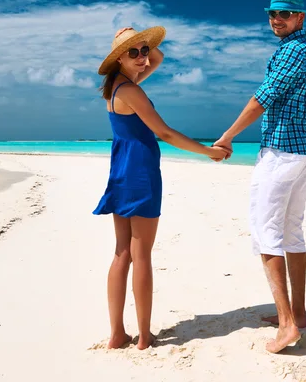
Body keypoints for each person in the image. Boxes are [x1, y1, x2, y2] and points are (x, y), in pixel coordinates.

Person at [94, 26, 230, 351]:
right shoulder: (133, 91)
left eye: (143, 51)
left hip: (121, 171)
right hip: (140, 173)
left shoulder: (117, 86)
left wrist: (137, 43)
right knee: (140, 256)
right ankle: (143, 337)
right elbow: (165, 133)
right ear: (118, 59)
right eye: (134, 53)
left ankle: (116, 334)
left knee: (122, 253)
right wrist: (209, 152)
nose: (143, 58)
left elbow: (158, 56)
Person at [213, 0, 306, 354]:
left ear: (300, 17)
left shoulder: (293, 50)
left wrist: (227, 136)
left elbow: (264, 98)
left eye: (285, 14)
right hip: (305, 151)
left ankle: (288, 324)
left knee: (267, 233)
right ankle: (299, 312)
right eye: (273, 13)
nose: (277, 19)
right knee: (292, 231)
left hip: (282, 153)